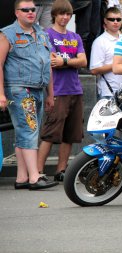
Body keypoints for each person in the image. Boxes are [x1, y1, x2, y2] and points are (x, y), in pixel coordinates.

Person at [0, 0, 58, 190]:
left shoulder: (41, 33)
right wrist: (0, 93)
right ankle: (35, 177)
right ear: (17, 13)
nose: (31, 12)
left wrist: (51, 93)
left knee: (25, 132)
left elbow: (48, 64)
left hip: (38, 88)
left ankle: (22, 176)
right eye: (25, 10)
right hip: (19, 89)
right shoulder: (7, 34)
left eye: (33, 9)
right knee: (29, 130)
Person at [38, 0, 87, 182]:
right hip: (57, 90)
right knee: (50, 134)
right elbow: (51, 61)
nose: (65, 17)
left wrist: (65, 61)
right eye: (61, 14)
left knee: (70, 135)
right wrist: (70, 60)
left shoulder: (75, 37)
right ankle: (38, 172)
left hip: (75, 89)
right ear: (54, 14)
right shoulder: (46, 35)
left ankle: (61, 171)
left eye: (67, 14)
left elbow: (83, 61)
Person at [90, 7, 122, 100]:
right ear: (105, 21)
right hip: (108, 92)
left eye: (118, 19)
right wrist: (117, 65)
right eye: (112, 19)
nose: (115, 22)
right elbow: (94, 70)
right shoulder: (99, 41)